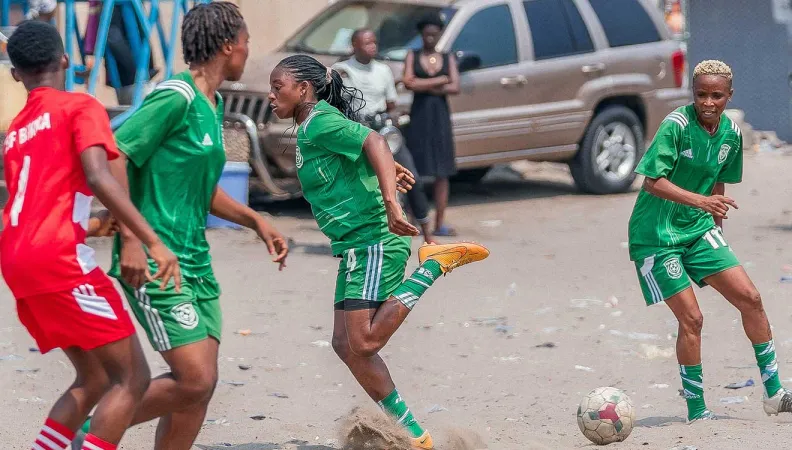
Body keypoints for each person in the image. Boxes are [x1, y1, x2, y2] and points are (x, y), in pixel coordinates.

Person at [73, 3, 289, 449]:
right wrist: (133, 240)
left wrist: (255, 220)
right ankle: (90, 433)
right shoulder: (176, 96)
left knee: (199, 390)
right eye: (246, 44)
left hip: (195, 263)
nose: (248, 53)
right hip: (155, 260)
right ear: (228, 46)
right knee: (194, 378)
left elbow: (203, 187)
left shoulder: (213, 104)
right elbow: (114, 157)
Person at [268, 54, 489, 449]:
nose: (271, 96)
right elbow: (363, 152)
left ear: (303, 89)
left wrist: (389, 200)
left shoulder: (319, 119)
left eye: (277, 87)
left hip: (373, 240)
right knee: (344, 345)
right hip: (354, 245)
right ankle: (415, 436)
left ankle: (432, 267)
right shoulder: (309, 126)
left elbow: (374, 140)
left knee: (365, 342)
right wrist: (379, 171)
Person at [2, 20, 180, 450]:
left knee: (95, 377)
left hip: (17, 260)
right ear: (66, 61)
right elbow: (100, 176)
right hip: (59, 257)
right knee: (132, 378)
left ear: (15, 73)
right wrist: (151, 239)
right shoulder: (79, 106)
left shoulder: (14, 131)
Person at [628, 60, 792, 422]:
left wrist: (716, 226)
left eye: (716, 95)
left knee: (751, 298)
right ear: (693, 94)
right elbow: (652, 182)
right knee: (693, 319)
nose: (707, 102)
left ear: (728, 96)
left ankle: (775, 393)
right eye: (701, 94)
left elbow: (719, 182)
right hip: (656, 236)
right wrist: (703, 202)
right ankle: (697, 410)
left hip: (700, 230)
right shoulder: (677, 126)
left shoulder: (731, 134)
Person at [333, 28, 433, 242]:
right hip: (357, 131)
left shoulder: (383, 71)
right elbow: (336, 103)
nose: (372, 47)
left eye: (374, 42)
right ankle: (354, 235)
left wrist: (390, 118)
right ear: (354, 46)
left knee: (410, 174)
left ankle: (427, 233)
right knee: (357, 183)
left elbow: (391, 103)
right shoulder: (342, 70)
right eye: (366, 43)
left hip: (383, 130)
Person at [403, 12, 459, 237]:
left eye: (434, 35)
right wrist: (440, 80)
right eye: (426, 35)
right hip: (419, 117)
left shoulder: (448, 57)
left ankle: (439, 223)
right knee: (412, 171)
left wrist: (424, 84)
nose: (430, 39)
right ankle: (410, 220)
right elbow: (408, 82)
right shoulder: (412, 55)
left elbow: (455, 86)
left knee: (441, 172)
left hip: (440, 118)